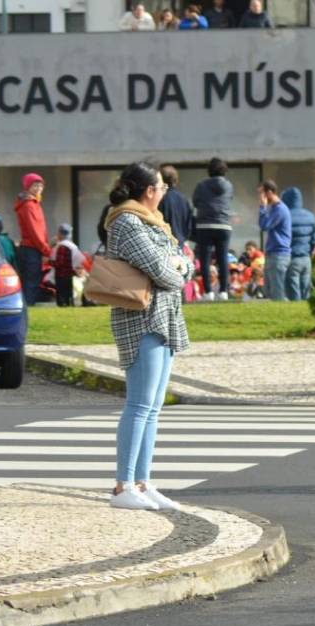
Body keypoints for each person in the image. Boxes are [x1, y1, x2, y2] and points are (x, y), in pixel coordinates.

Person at [96, 162, 193, 511]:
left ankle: (142, 481)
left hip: (164, 319)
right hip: (141, 321)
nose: (165, 192)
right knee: (139, 404)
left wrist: (178, 266)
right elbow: (163, 270)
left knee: (152, 408)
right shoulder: (126, 222)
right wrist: (178, 267)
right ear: (148, 191)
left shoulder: (153, 222)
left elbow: (183, 261)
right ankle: (123, 486)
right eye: (161, 187)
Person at [192, 158, 234, 301]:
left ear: (209, 170)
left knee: (205, 259)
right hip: (224, 225)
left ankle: (208, 292)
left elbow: (196, 202)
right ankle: (223, 292)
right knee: (223, 258)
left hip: (205, 225)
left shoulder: (201, 185)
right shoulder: (229, 186)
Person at [13, 173, 50, 305]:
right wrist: (46, 250)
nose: (39, 187)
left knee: (31, 281)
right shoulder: (29, 205)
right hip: (31, 249)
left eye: (41, 185)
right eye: (35, 185)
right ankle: (28, 310)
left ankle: (27, 308)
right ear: (28, 186)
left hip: (32, 248)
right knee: (31, 283)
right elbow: (35, 231)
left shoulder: (34, 202)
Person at [257, 180, 291, 301]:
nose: (261, 198)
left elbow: (264, 225)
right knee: (269, 290)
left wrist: (262, 207)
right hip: (273, 254)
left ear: (269, 192)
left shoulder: (280, 210)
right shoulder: (275, 209)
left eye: (262, 194)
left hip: (279, 255)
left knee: (277, 293)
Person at [281, 187, 315, 301]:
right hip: (306, 259)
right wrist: (309, 252)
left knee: (293, 291)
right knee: (306, 289)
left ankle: (296, 313)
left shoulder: (285, 216)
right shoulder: (311, 216)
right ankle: (306, 314)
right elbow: (314, 240)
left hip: (292, 258)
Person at [157, 165, 194, 261]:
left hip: (163, 245)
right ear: (175, 180)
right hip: (180, 244)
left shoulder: (160, 199)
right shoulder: (184, 199)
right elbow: (189, 224)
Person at [52, 224, 84, 308]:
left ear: (60, 234)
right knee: (69, 293)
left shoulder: (61, 246)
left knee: (62, 295)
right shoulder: (73, 246)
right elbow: (80, 260)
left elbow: (59, 263)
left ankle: (64, 305)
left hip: (61, 275)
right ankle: (70, 304)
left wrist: (48, 262)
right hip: (70, 274)